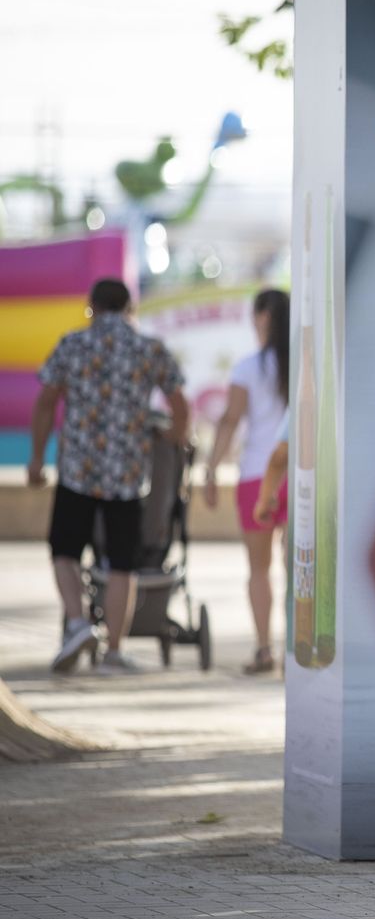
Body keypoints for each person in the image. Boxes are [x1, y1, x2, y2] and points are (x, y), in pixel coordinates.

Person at [29, 278, 188, 674]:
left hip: (77, 469)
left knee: (64, 551)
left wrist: (36, 458)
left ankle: (78, 624)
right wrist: (173, 436)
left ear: (93, 307)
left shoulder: (73, 344)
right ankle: (114, 653)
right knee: (122, 563)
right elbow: (180, 405)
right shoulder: (149, 348)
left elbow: (46, 401)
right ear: (130, 308)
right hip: (127, 474)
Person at [203, 289, 291, 675]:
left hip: (257, 476)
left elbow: (230, 421)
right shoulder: (303, 363)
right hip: (298, 476)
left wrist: (210, 470)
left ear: (261, 318)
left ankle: (264, 649)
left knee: (259, 570)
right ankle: (295, 650)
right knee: (297, 568)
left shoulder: (248, 368)